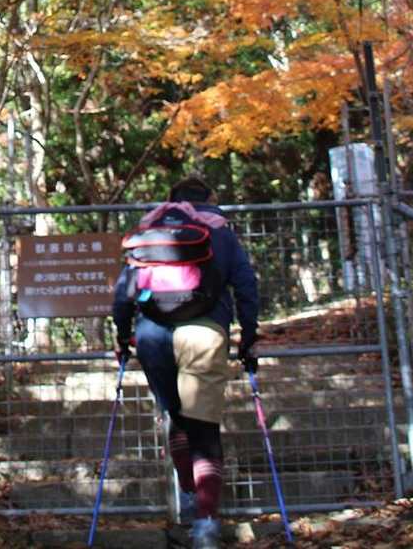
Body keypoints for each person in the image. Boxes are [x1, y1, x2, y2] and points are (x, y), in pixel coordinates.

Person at [111, 175, 259, 549]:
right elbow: (246, 284)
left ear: (171, 199)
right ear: (210, 196)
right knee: (204, 429)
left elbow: (124, 292)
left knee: (177, 419)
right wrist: (249, 335)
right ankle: (205, 525)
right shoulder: (220, 229)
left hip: (152, 335)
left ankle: (191, 497)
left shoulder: (152, 229)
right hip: (205, 331)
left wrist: (123, 336)